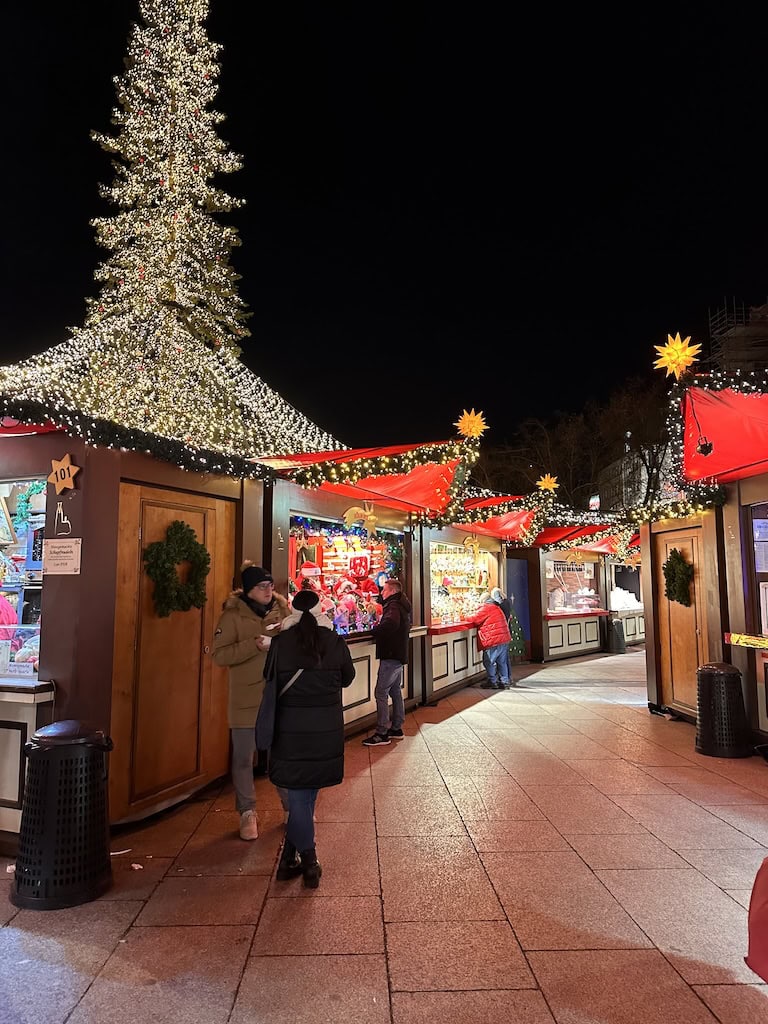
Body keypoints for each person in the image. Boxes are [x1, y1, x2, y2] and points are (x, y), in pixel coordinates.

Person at [265, 588, 355, 888]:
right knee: (307, 792)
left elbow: (270, 678)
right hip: (325, 727)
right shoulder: (334, 640)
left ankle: (296, 857)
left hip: (290, 728)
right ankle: (307, 858)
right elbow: (348, 677)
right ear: (320, 609)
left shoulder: (280, 643)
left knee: (301, 795)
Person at [212, 562, 289, 840]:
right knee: (244, 758)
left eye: (270, 585)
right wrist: (251, 645)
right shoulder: (232, 616)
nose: (268, 591)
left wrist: (282, 641)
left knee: (281, 755)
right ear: (248, 590)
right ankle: (247, 812)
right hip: (244, 698)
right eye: (262, 586)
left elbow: (296, 642)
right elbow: (219, 656)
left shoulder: (283, 610)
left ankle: (290, 807)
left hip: (276, 695)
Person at [362, 577, 412, 746]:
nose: (381, 593)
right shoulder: (402, 605)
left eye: (384, 590)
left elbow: (390, 623)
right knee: (395, 690)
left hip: (391, 654)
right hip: (398, 654)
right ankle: (397, 727)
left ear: (392, 591)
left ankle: (382, 732)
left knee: (381, 692)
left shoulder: (393, 606)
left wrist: (376, 631)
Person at [468, 591, 511, 690]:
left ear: (483, 600)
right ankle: (504, 681)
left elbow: (474, 619)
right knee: (502, 661)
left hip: (493, 639)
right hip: (503, 638)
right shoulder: (496, 607)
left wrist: (461, 617)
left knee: (489, 661)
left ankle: (492, 681)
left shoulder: (486, 608)